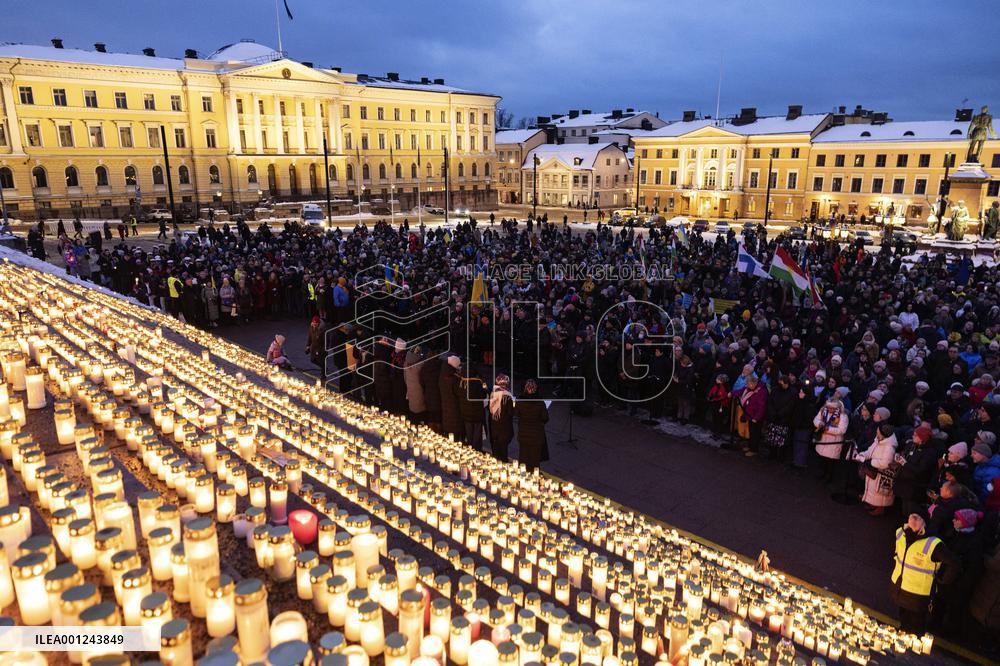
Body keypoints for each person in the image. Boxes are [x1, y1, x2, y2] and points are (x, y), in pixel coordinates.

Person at [890, 509, 958, 634]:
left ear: (925, 523)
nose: (913, 520)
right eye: (912, 517)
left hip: (918, 596)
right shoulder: (900, 533)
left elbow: (954, 563)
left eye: (918, 518)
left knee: (916, 628)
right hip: (900, 589)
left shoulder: (933, 544)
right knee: (903, 621)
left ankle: (912, 651)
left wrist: (943, 581)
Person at [854, 422, 898, 515]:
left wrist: (870, 462)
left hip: (881, 473)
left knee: (880, 493)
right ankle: (873, 504)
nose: (876, 434)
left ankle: (880, 509)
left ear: (884, 434)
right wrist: (863, 455)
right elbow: (870, 451)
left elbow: (885, 463)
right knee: (872, 489)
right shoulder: (878, 440)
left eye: (878, 433)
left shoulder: (889, 447)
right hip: (874, 469)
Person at [515, 379, 550, 471]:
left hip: (523, 434)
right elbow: (545, 418)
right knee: (535, 460)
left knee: (523, 457)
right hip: (536, 436)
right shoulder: (540, 403)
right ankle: (534, 478)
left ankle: (523, 478)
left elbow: (516, 414)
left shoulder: (520, 401)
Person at [813, 398, 849, 481]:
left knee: (830, 462)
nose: (829, 409)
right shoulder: (823, 411)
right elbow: (815, 420)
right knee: (822, 459)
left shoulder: (843, 416)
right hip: (822, 440)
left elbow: (842, 430)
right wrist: (819, 423)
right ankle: (822, 473)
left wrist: (827, 429)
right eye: (828, 407)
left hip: (833, 442)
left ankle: (829, 477)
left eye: (832, 408)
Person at [487, 373, 515, 461]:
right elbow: (511, 412)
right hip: (504, 429)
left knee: (496, 452)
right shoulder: (507, 397)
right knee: (503, 453)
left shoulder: (493, 394)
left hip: (494, 428)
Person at [439, 355, 464, 442]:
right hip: (454, 412)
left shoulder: (443, 374)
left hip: (445, 409)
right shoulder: (454, 380)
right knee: (455, 437)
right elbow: (460, 393)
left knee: (449, 433)